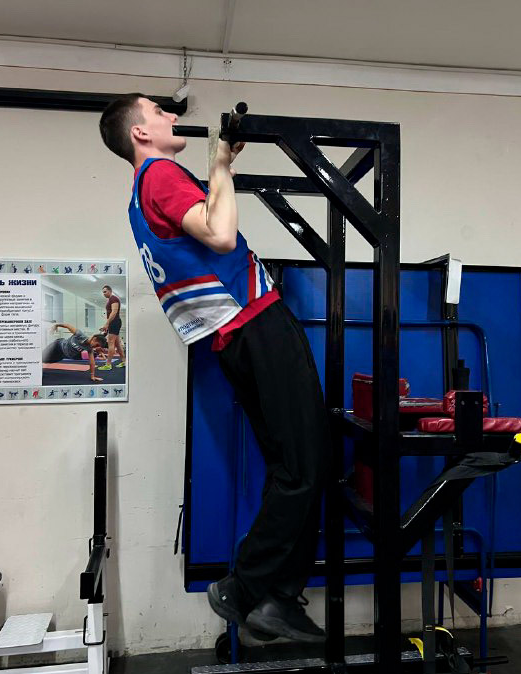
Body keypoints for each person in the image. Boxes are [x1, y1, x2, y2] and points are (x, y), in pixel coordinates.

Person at [99, 94, 329, 642]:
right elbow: (220, 233)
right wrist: (219, 166)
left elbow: (205, 229)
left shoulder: (139, 198)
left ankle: (276, 599)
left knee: (294, 467)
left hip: (233, 338)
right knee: (305, 464)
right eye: (159, 112)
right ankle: (245, 590)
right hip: (254, 323)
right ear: (140, 133)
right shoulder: (159, 175)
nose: (172, 116)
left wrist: (220, 165)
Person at [43, 323, 107, 382]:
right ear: (94, 339)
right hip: (57, 346)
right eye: (97, 345)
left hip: (62, 355)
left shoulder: (89, 348)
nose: (95, 347)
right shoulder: (80, 335)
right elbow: (67, 325)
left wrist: (92, 376)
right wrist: (56, 325)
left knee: (46, 361)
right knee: (42, 357)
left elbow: (92, 362)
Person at [98, 285, 126, 371]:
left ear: (110, 291)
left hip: (114, 322)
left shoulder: (113, 299)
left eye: (105, 291)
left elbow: (114, 312)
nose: (104, 294)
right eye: (103, 292)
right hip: (114, 323)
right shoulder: (111, 300)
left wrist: (107, 324)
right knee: (117, 344)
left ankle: (108, 364)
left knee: (111, 343)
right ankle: (124, 361)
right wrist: (107, 324)